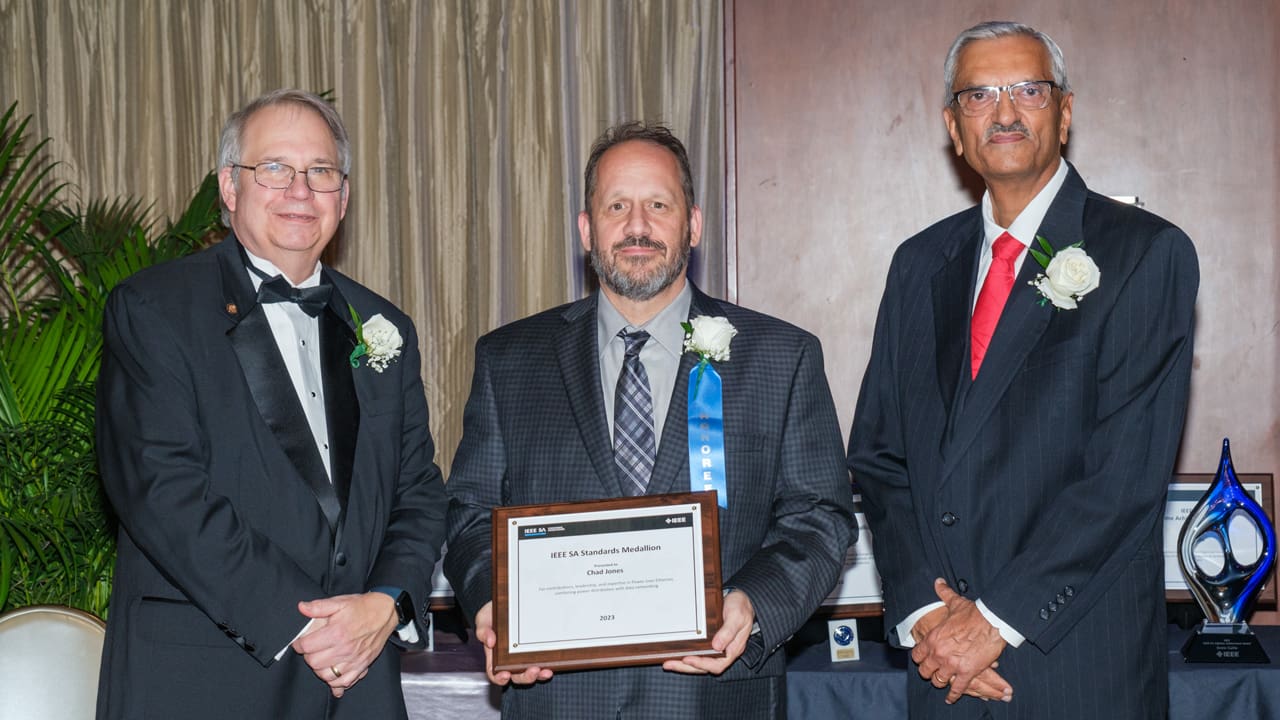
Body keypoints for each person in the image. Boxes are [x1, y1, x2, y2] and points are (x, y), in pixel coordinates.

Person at [444, 122, 855, 718]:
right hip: (558, 699)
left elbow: (821, 518)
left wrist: (753, 606)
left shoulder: (780, 356)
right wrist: (493, 606)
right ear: (587, 230)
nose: (637, 226)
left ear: (692, 224)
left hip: (714, 696)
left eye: (657, 205)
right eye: (617, 206)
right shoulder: (509, 359)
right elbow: (469, 512)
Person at [847, 21, 1197, 719]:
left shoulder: (1143, 254)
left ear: (1064, 114)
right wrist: (926, 615)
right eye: (978, 97)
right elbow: (882, 459)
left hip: (1071, 662)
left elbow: (1123, 477)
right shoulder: (919, 265)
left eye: (1027, 91)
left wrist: (993, 623)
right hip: (942, 669)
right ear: (954, 126)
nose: (1004, 113)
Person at [95, 89, 447, 719]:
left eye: (321, 173)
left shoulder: (384, 324)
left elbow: (417, 490)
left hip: (358, 683)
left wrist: (386, 603)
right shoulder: (154, 310)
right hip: (207, 680)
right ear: (230, 187)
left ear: (344, 195)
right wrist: (311, 628)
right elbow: (162, 491)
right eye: (275, 169)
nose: (300, 191)